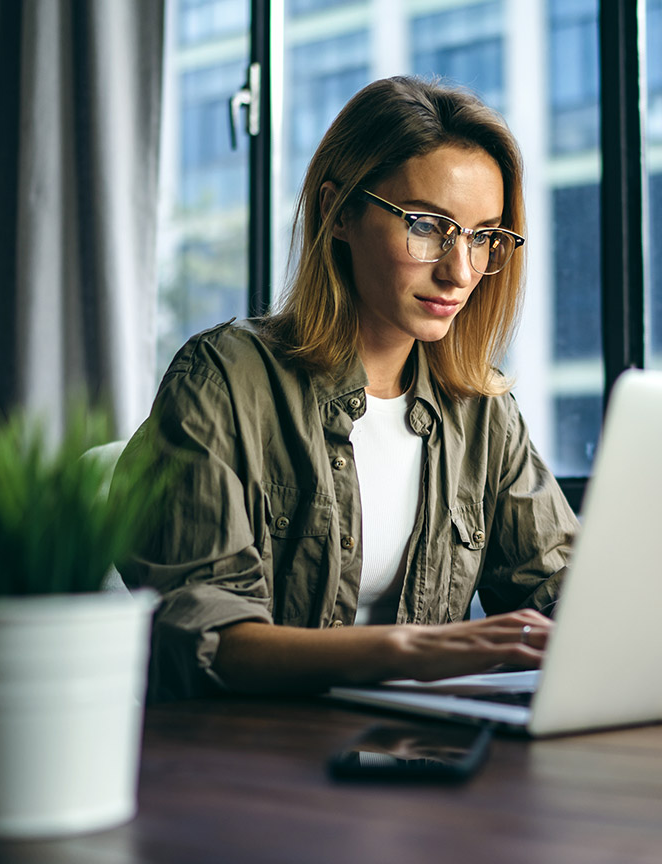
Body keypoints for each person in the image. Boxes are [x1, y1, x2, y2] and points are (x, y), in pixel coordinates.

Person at [117, 76, 577, 701]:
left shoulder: (483, 412)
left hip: (418, 754)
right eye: (427, 226)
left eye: (482, 236)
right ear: (338, 212)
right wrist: (407, 651)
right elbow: (206, 636)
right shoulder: (224, 379)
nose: (459, 270)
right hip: (258, 759)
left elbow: (557, 592)